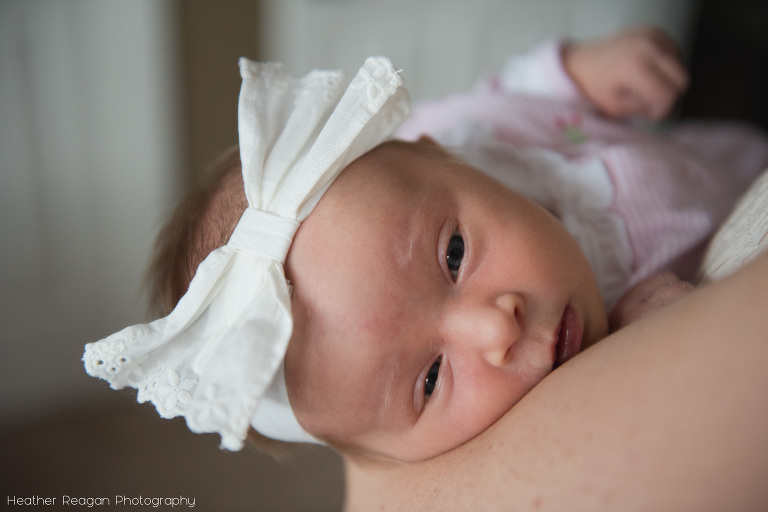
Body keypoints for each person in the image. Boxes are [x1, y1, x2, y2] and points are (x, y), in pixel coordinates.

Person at [84, 25, 767, 473]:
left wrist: (577, 74)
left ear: (441, 155)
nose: (496, 328)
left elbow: (514, 92)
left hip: (729, 155)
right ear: (391, 459)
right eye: (431, 380)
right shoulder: (561, 407)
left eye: (454, 255)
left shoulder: (474, 136)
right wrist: (633, 344)